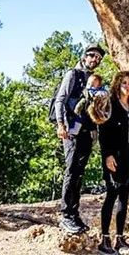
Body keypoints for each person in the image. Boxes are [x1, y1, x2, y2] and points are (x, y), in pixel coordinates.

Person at [55, 44, 105, 235]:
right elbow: (61, 99)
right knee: (71, 171)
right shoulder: (73, 74)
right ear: (84, 56)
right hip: (71, 130)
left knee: (79, 173)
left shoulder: (92, 79)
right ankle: (66, 215)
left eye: (98, 58)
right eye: (92, 55)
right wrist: (61, 125)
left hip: (86, 132)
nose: (95, 60)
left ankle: (74, 214)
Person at [97, 70, 129, 254]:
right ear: (118, 84)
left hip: (128, 160)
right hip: (113, 158)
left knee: (124, 197)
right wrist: (107, 155)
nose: (127, 86)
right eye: (124, 83)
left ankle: (120, 239)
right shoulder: (111, 106)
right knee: (111, 196)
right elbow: (103, 134)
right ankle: (105, 239)